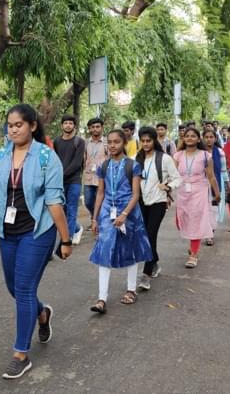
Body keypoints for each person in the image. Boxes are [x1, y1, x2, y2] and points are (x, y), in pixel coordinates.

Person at [0, 104, 72, 380]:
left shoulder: (46, 158)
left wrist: (65, 240)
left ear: (33, 126)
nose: (13, 129)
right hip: (8, 233)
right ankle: (42, 314)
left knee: (25, 288)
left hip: (37, 232)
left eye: (19, 124)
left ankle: (21, 354)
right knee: (14, 287)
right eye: (10, 125)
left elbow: (54, 202)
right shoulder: (1, 156)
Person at [88, 130, 152, 313]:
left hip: (130, 213)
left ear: (124, 142)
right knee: (104, 250)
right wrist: (95, 217)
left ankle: (131, 290)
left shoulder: (133, 165)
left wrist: (124, 214)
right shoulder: (104, 165)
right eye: (109, 142)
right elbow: (100, 192)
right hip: (108, 212)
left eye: (116, 141)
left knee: (131, 249)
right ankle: (101, 298)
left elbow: (136, 194)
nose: (112, 145)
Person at [135, 127, 181, 292]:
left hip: (159, 202)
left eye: (149, 140)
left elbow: (177, 178)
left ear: (154, 141)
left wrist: (167, 186)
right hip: (141, 201)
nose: (146, 144)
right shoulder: (136, 159)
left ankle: (146, 274)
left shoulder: (165, 158)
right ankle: (154, 261)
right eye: (143, 141)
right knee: (144, 235)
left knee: (150, 234)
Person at [173, 128, 221, 268]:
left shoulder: (205, 155)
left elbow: (211, 176)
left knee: (196, 220)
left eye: (193, 136)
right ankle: (193, 245)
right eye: (187, 136)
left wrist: (217, 194)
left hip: (200, 190)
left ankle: (193, 254)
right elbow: (173, 175)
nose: (190, 138)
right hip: (182, 191)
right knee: (182, 221)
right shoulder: (178, 155)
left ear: (198, 139)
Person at [53, 114, 86, 244]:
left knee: (72, 209)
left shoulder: (79, 142)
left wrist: (61, 175)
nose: (68, 125)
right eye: (65, 123)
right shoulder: (57, 141)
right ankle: (77, 229)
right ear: (62, 125)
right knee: (63, 210)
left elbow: (77, 163)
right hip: (60, 182)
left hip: (74, 181)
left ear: (74, 126)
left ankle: (67, 239)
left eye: (71, 123)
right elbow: (55, 161)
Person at [203, 129, 228, 246]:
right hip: (201, 185)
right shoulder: (199, 152)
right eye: (206, 137)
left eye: (211, 137)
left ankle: (210, 234)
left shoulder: (220, 152)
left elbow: (223, 170)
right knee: (202, 210)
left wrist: (228, 185)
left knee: (214, 210)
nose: (209, 139)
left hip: (216, 184)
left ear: (215, 138)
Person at [83, 117, 108, 229]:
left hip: (102, 177)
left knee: (101, 201)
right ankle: (95, 217)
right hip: (88, 176)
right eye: (92, 127)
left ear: (102, 128)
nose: (95, 129)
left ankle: (98, 221)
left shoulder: (107, 142)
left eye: (97, 127)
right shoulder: (85, 142)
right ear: (89, 129)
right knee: (88, 201)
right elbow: (83, 158)